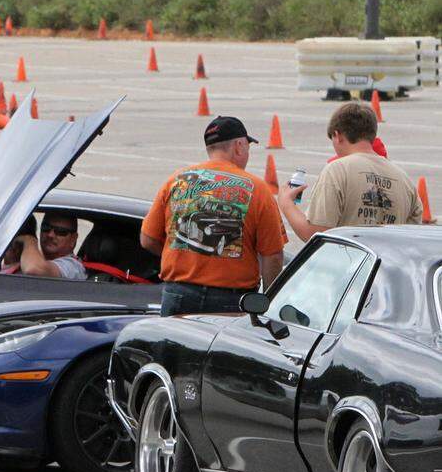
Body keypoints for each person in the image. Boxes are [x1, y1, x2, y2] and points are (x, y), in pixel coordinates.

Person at [141, 116, 286, 316]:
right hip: (232, 301)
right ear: (239, 146)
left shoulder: (177, 180)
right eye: (247, 148)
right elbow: (273, 256)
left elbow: (147, 240)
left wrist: (185, 257)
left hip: (179, 293)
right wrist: (268, 304)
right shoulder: (258, 189)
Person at [279, 103, 422, 241]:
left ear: (337, 136)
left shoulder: (336, 171)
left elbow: (317, 235)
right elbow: (412, 238)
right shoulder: (404, 180)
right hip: (387, 257)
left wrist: (287, 204)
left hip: (348, 257)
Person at [16, 213, 87, 280]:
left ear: (73, 239)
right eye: (46, 228)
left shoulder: (73, 267)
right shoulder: (35, 258)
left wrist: (29, 240)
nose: (50, 235)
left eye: (60, 231)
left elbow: (33, 269)